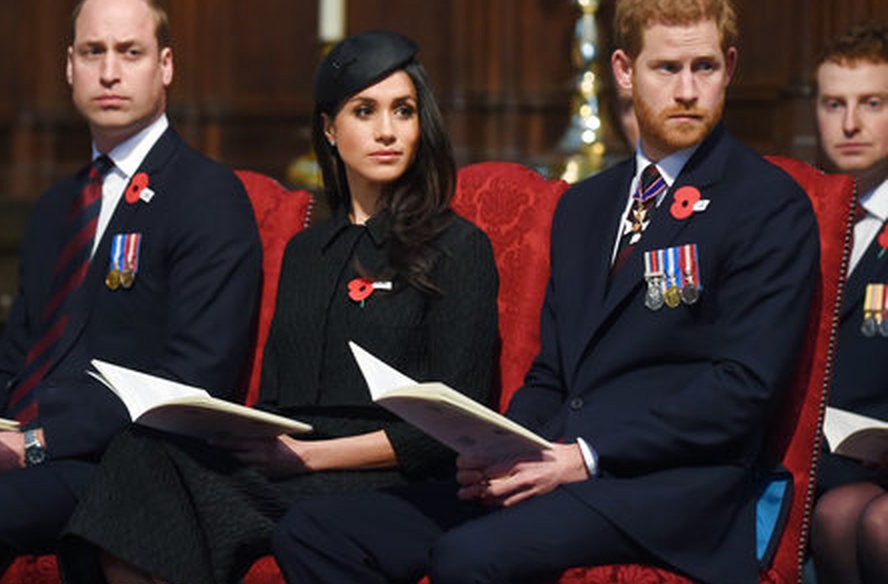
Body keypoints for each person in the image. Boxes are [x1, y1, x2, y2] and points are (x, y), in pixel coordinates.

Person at [272, 1, 820, 583]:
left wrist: (583, 456)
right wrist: (502, 447)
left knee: (468, 556)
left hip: (673, 492)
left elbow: (741, 390)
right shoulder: (586, 207)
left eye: (704, 67)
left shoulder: (768, 204)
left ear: (730, 68)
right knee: (315, 533)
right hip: (559, 465)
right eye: (666, 68)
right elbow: (553, 374)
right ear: (624, 70)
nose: (687, 89)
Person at [57, 30, 500, 584]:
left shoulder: (459, 247)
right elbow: (277, 399)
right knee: (140, 451)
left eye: (403, 111)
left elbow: (455, 423)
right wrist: (238, 431)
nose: (387, 131)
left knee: (172, 495)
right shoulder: (306, 252)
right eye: (364, 111)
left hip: (388, 478)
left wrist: (312, 457)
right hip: (287, 466)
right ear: (329, 130)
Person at [0, 0, 261, 581]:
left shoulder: (206, 196)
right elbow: (12, 364)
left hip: (114, 463)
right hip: (18, 444)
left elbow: (193, 379)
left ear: (166, 65)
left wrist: (35, 446)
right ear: (68, 66)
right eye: (92, 52)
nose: (109, 72)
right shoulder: (57, 207)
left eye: (130, 52)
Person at [809, 21, 888, 584]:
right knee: (837, 515)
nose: (851, 124)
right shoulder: (801, 218)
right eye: (834, 104)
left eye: (873, 103)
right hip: (821, 459)